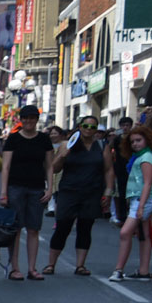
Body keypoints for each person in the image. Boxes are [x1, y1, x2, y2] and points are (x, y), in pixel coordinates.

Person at [43, 117, 107, 277]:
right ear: (79, 127)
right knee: (63, 226)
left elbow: (108, 170)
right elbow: (55, 168)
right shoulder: (68, 144)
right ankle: (51, 264)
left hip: (92, 192)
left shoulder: (101, 145)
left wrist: (109, 191)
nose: (88, 129)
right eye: (85, 126)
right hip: (69, 191)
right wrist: (63, 155)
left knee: (85, 227)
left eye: (92, 127)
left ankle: (80, 265)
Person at [0, 105, 55, 281]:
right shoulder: (13, 139)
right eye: (25, 118)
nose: (29, 121)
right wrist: (3, 192)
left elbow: (49, 165)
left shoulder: (44, 139)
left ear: (37, 120)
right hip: (15, 187)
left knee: (34, 228)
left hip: (36, 187)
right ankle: (15, 268)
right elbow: (5, 167)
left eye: (32, 118)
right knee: (15, 229)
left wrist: (50, 188)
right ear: (20, 120)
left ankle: (32, 268)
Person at [108, 124, 152, 282]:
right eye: (132, 141)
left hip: (143, 200)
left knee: (125, 233)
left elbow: (148, 183)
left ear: (147, 140)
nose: (135, 144)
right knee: (144, 235)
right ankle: (144, 271)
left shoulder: (146, 157)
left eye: (139, 140)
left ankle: (119, 270)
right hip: (140, 199)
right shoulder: (142, 156)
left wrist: (140, 206)